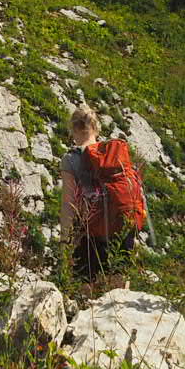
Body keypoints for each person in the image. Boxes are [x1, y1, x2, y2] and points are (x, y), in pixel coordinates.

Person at [59, 106, 149, 280]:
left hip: (89, 231)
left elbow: (68, 203)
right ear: (97, 128)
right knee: (120, 281)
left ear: (74, 129)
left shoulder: (70, 159)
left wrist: (65, 240)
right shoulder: (114, 154)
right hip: (122, 225)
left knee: (86, 286)